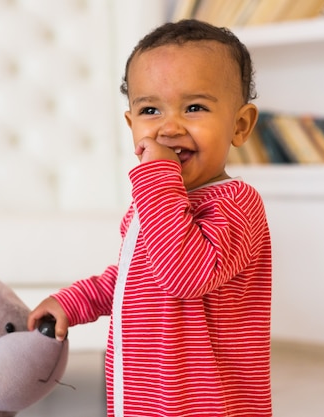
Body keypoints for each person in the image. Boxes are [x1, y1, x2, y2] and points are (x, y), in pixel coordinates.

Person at [27, 19, 272, 417]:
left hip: (203, 404)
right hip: (146, 395)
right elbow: (131, 279)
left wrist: (157, 179)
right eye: (150, 110)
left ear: (239, 125)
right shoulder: (154, 203)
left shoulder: (236, 204)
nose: (169, 127)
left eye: (195, 108)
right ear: (131, 125)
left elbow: (183, 275)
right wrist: (73, 302)